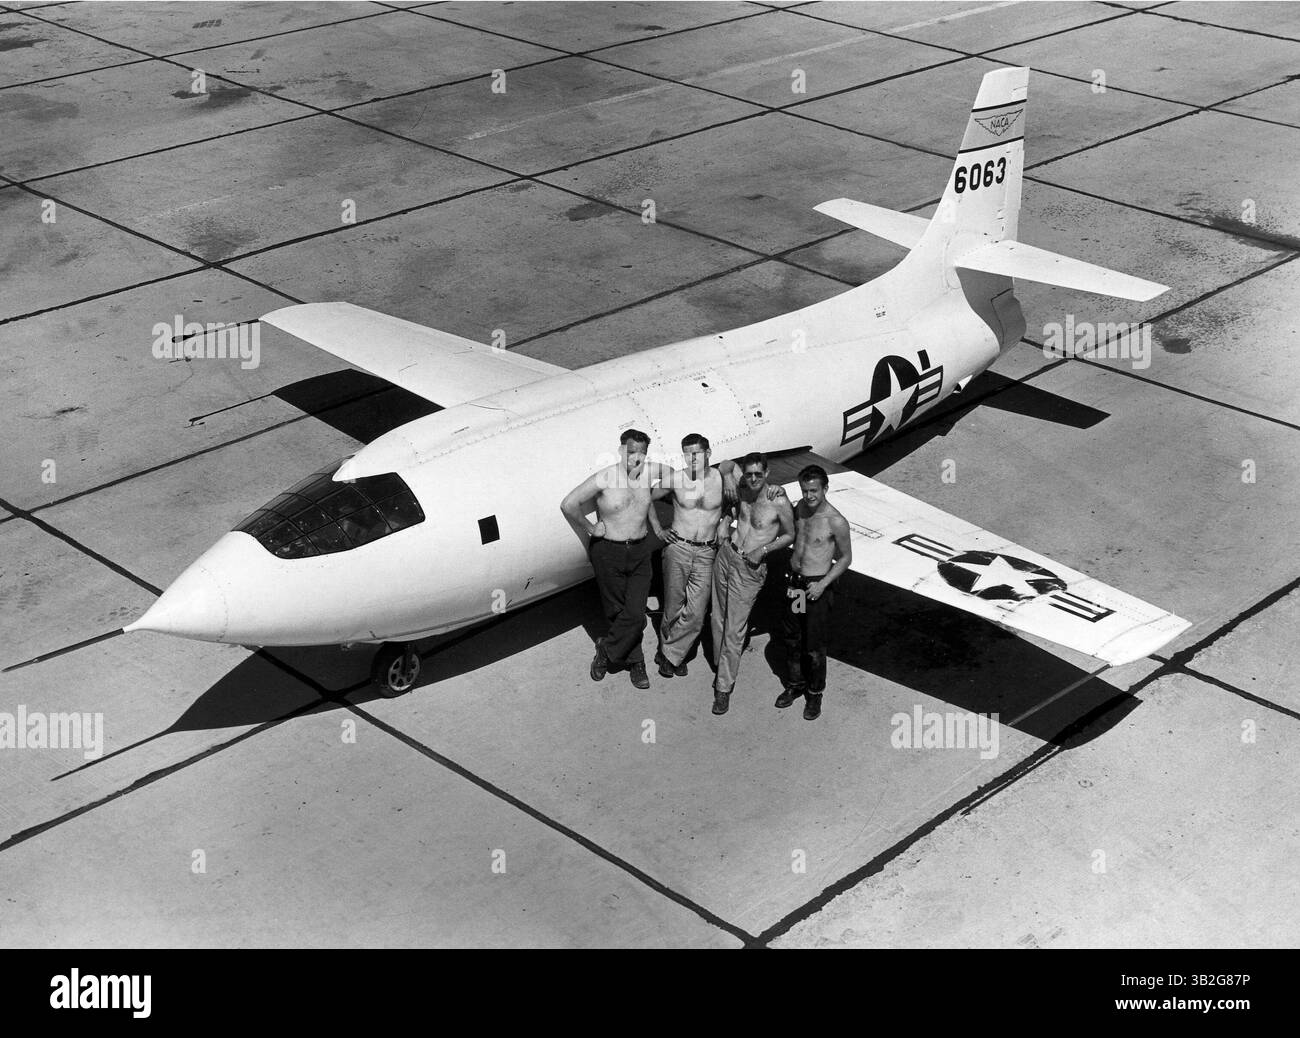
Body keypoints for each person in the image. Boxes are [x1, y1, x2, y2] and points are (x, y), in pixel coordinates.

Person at [561, 429, 673, 689]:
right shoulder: (606, 477)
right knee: (616, 611)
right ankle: (637, 662)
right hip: (608, 551)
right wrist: (590, 528)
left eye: (642, 452)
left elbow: (678, 476)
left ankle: (607, 650)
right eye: (631, 451)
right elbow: (569, 504)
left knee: (635, 614)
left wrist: (726, 469)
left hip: (639, 551)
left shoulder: (648, 472)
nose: (636, 457)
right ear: (622, 450)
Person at [646, 434, 739, 680]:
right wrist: (658, 529)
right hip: (678, 547)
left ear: (708, 453)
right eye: (687, 454)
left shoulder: (721, 478)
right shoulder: (677, 479)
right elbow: (644, 497)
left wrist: (726, 520)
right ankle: (673, 654)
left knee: (697, 612)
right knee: (673, 605)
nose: (692, 458)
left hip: (707, 551)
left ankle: (669, 653)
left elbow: (732, 474)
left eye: (697, 453)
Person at [710, 452, 794, 715]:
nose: (754, 478)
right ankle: (720, 662)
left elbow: (790, 533)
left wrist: (765, 550)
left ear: (767, 473)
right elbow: (725, 464)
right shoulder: (742, 486)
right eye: (749, 474)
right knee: (718, 617)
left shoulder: (777, 499)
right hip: (727, 555)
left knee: (735, 628)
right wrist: (725, 520)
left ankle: (723, 687)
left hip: (750, 567)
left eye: (759, 473)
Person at [776, 465, 852, 720]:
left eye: (814, 491)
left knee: (814, 646)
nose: (809, 496)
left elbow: (845, 559)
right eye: (805, 490)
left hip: (816, 588)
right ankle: (795, 685)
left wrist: (823, 584)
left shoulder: (835, 521)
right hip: (797, 587)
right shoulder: (800, 510)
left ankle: (814, 694)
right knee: (794, 638)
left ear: (825, 489)